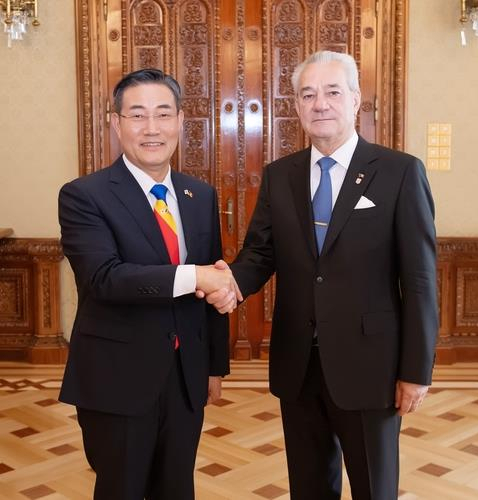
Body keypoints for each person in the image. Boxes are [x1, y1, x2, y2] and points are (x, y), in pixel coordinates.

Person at [204, 51, 438, 499]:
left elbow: (422, 280)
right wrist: (229, 282)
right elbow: (259, 254)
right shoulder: (279, 176)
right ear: (296, 106)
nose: (320, 104)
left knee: (374, 488)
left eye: (332, 92)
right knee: (308, 489)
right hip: (299, 365)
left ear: (355, 101)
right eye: (307, 94)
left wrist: (416, 370)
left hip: (372, 368)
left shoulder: (399, 172)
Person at [58, 68, 240, 500]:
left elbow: (209, 293)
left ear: (180, 121)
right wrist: (196, 275)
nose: (152, 128)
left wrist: (213, 367)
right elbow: (104, 278)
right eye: (137, 115)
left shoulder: (199, 195)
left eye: (163, 114)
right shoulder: (85, 195)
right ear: (116, 123)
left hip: (185, 379)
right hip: (117, 379)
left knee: (177, 489)